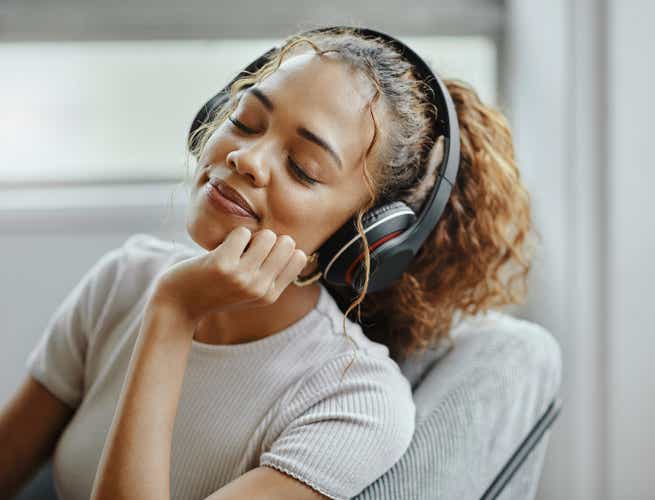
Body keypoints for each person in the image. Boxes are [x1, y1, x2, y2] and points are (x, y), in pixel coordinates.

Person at [0, 26, 536, 500]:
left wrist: (171, 317)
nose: (245, 158)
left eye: (303, 168)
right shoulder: (126, 278)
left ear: (365, 237)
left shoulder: (354, 403)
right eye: (246, 120)